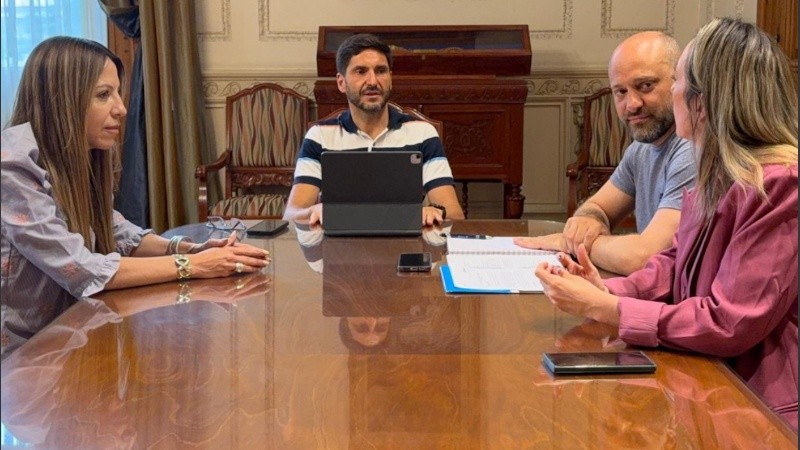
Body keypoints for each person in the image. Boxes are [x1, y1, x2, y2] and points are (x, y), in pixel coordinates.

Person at [535, 18, 798, 429]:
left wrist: (614, 310)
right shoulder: (718, 171)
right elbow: (674, 262)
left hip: (759, 406)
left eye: (673, 81)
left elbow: (731, 322)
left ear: (704, 100)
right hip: (711, 383)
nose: (670, 92)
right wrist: (604, 289)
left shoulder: (780, 185)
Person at [0, 36, 271, 358]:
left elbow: (118, 233)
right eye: (104, 95)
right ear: (61, 99)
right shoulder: (11, 166)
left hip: (72, 333)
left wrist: (190, 247)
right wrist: (194, 264)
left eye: (117, 92)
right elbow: (82, 269)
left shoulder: (75, 153)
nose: (122, 108)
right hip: (23, 356)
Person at [515, 31, 695, 275]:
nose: (632, 104)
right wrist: (589, 221)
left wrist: (571, 243)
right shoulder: (640, 149)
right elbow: (598, 207)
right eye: (620, 92)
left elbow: (646, 258)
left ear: (678, 83)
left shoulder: (692, 150)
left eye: (645, 86)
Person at [282, 33, 464, 226]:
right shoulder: (320, 136)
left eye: (380, 71)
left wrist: (433, 212)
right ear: (341, 82)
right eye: (361, 71)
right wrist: (314, 210)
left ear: (390, 79)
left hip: (405, 245)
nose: (372, 81)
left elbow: (455, 215)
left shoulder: (422, 133)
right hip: (340, 249)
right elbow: (291, 215)